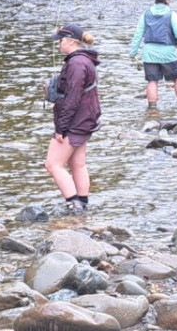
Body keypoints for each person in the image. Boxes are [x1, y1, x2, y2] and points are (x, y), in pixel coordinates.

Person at [45, 24, 101, 214]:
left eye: (60, 40)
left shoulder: (76, 64)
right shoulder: (84, 60)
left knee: (53, 164)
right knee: (77, 163)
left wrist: (61, 128)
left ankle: (73, 204)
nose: (58, 44)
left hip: (76, 121)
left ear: (70, 41)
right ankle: (83, 204)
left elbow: (72, 99)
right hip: (86, 119)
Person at [129, 0, 177, 110]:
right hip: (168, 53)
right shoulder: (172, 14)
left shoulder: (145, 14)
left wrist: (133, 53)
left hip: (149, 54)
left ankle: (152, 109)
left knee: (152, 81)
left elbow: (138, 34)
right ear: (167, 0)